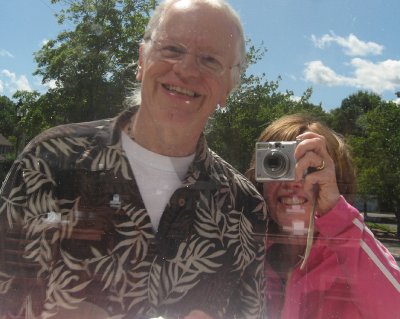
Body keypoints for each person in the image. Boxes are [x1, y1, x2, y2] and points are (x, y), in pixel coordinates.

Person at [0, 1, 267, 318]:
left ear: (229, 86)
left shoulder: (244, 207)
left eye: (210, 60)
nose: (186, 69)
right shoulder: (48, 163)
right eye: (171, 49)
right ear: (142, 60)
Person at [246, 113, 400, 319]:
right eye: (277, 164)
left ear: (336, 180)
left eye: (310, 167)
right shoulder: (245, 256)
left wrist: (338, 216)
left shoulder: (355, 255)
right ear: (259, 180)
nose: (293, 182)